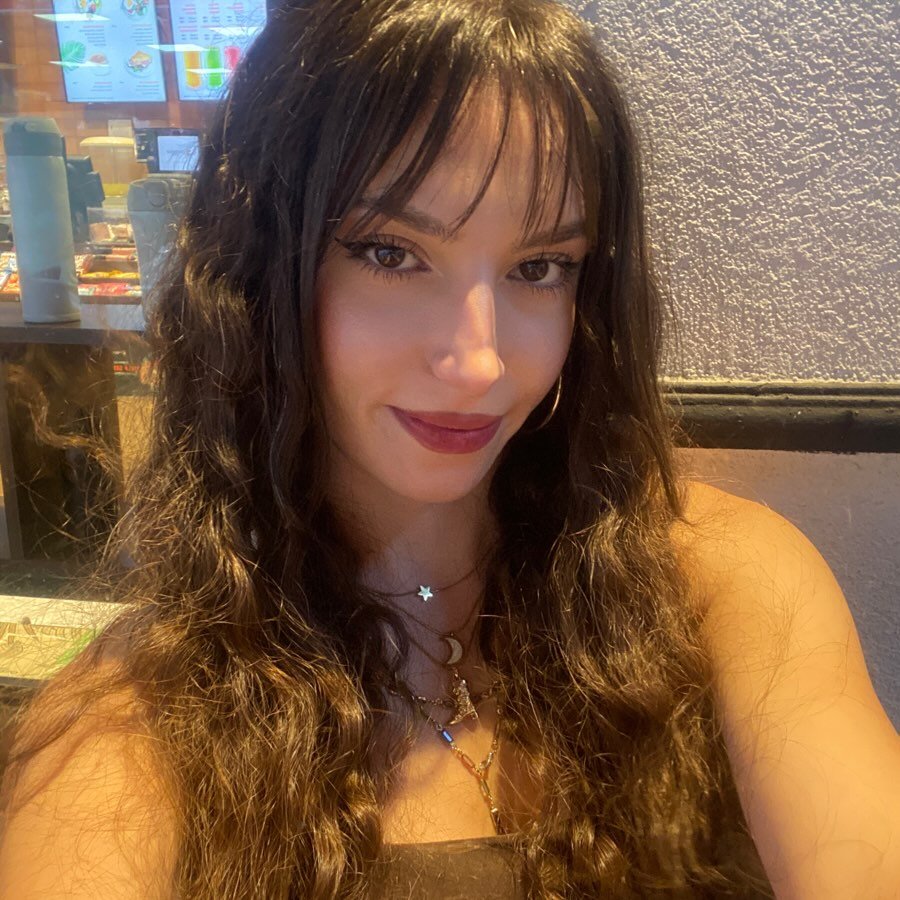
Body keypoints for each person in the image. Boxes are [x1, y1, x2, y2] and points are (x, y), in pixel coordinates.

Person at [1, 1, 898, 897]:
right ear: (260, 272)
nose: (478, 363)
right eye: (391, 253)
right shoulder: (137, 724)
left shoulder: (724, 582)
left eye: (539, 267)